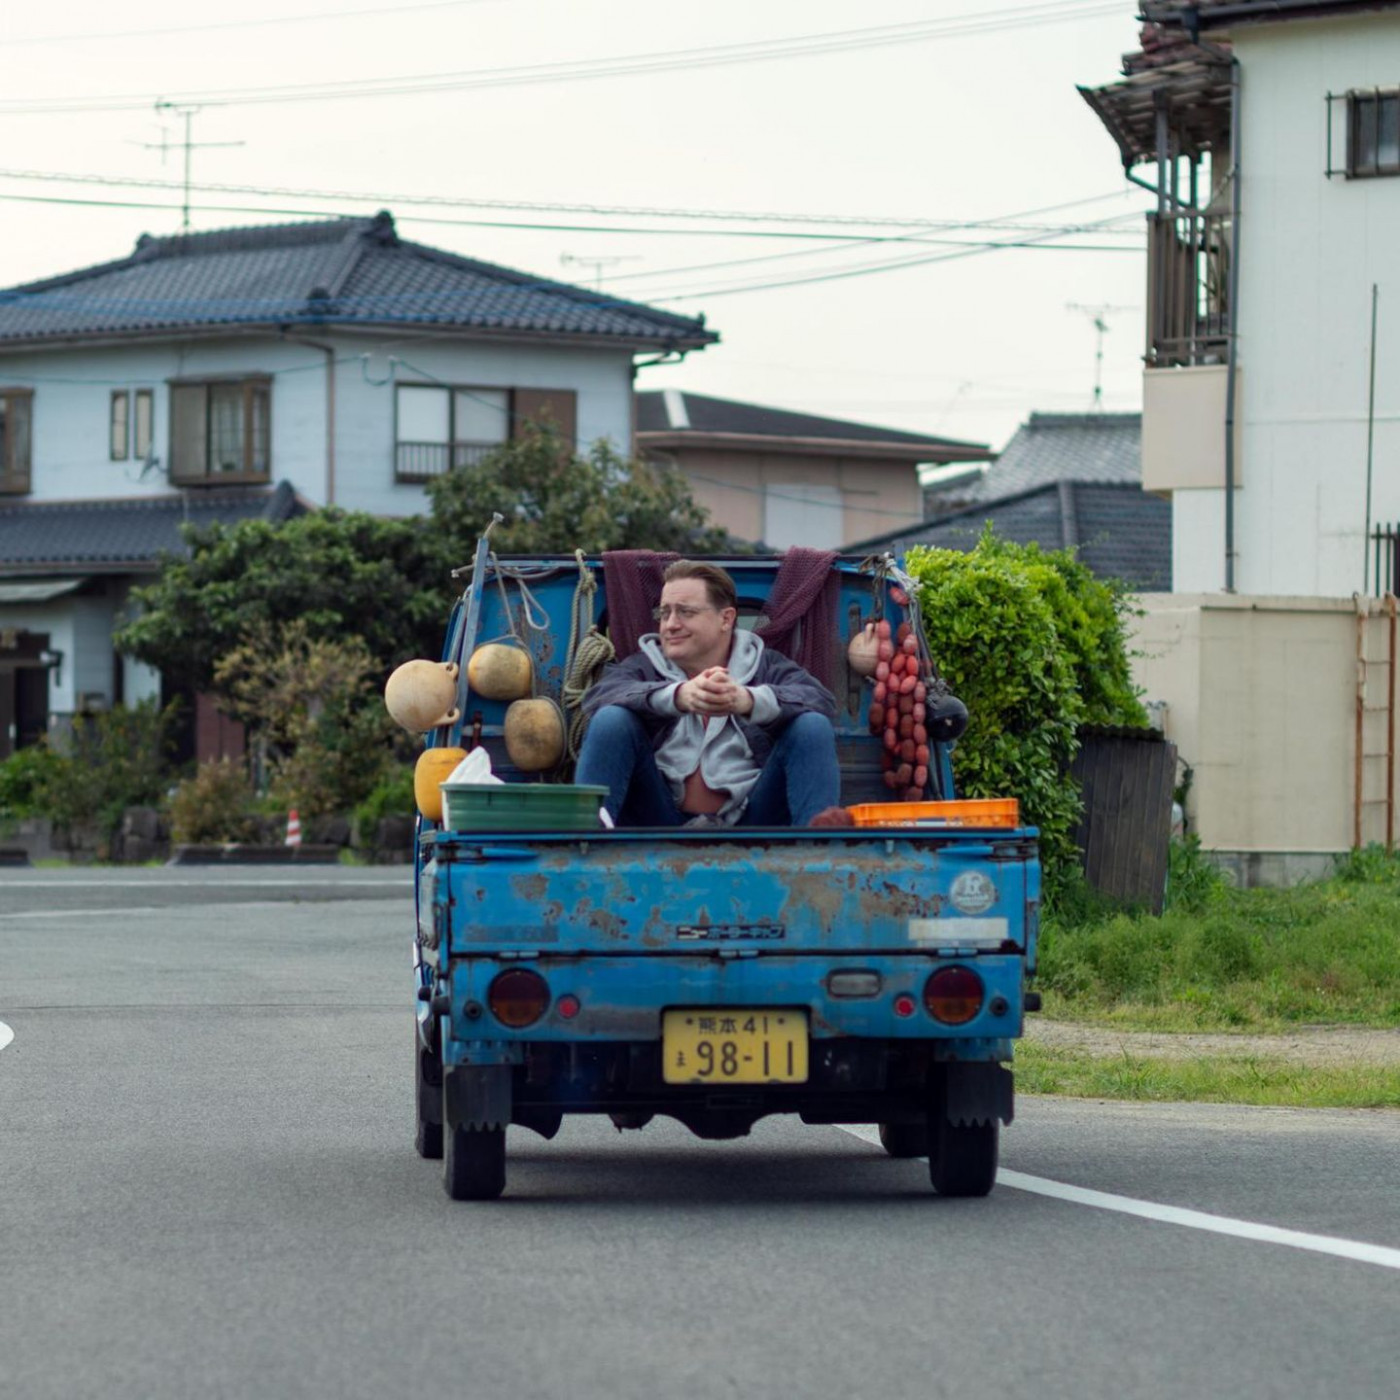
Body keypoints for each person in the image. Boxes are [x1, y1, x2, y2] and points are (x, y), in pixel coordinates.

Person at [577, 560, 840, 827]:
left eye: (685, 612)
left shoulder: (768, 665)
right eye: (664, 613)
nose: (670, 624)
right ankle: (584, 844)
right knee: (611, 718)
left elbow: (821, 701)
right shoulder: (642, 665)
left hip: (754, 822)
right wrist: (677, 696)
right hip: (658, 819)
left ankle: (818, 851)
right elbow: (599, 697)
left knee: (812, 725)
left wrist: (747, 700)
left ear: (726, 619)